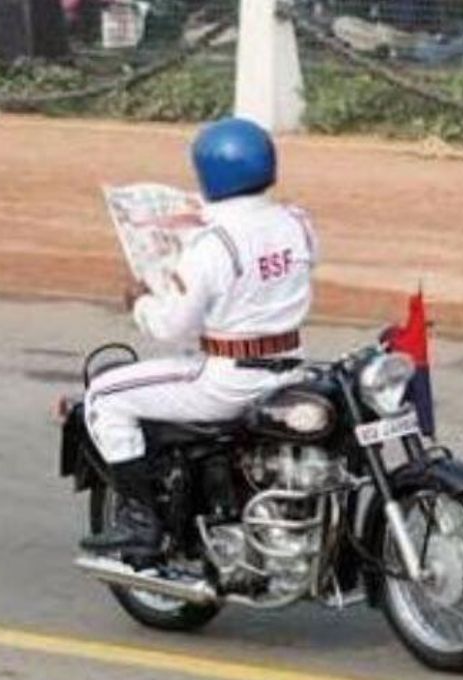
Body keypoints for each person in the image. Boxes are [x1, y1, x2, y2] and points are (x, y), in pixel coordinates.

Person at [81, 117, 318, 561]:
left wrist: (140, 303)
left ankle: (139, 520)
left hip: (227, 382)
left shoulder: (211, 245)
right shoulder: (298, 222)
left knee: (104, 395)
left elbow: (173, 327)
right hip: (292, 371)